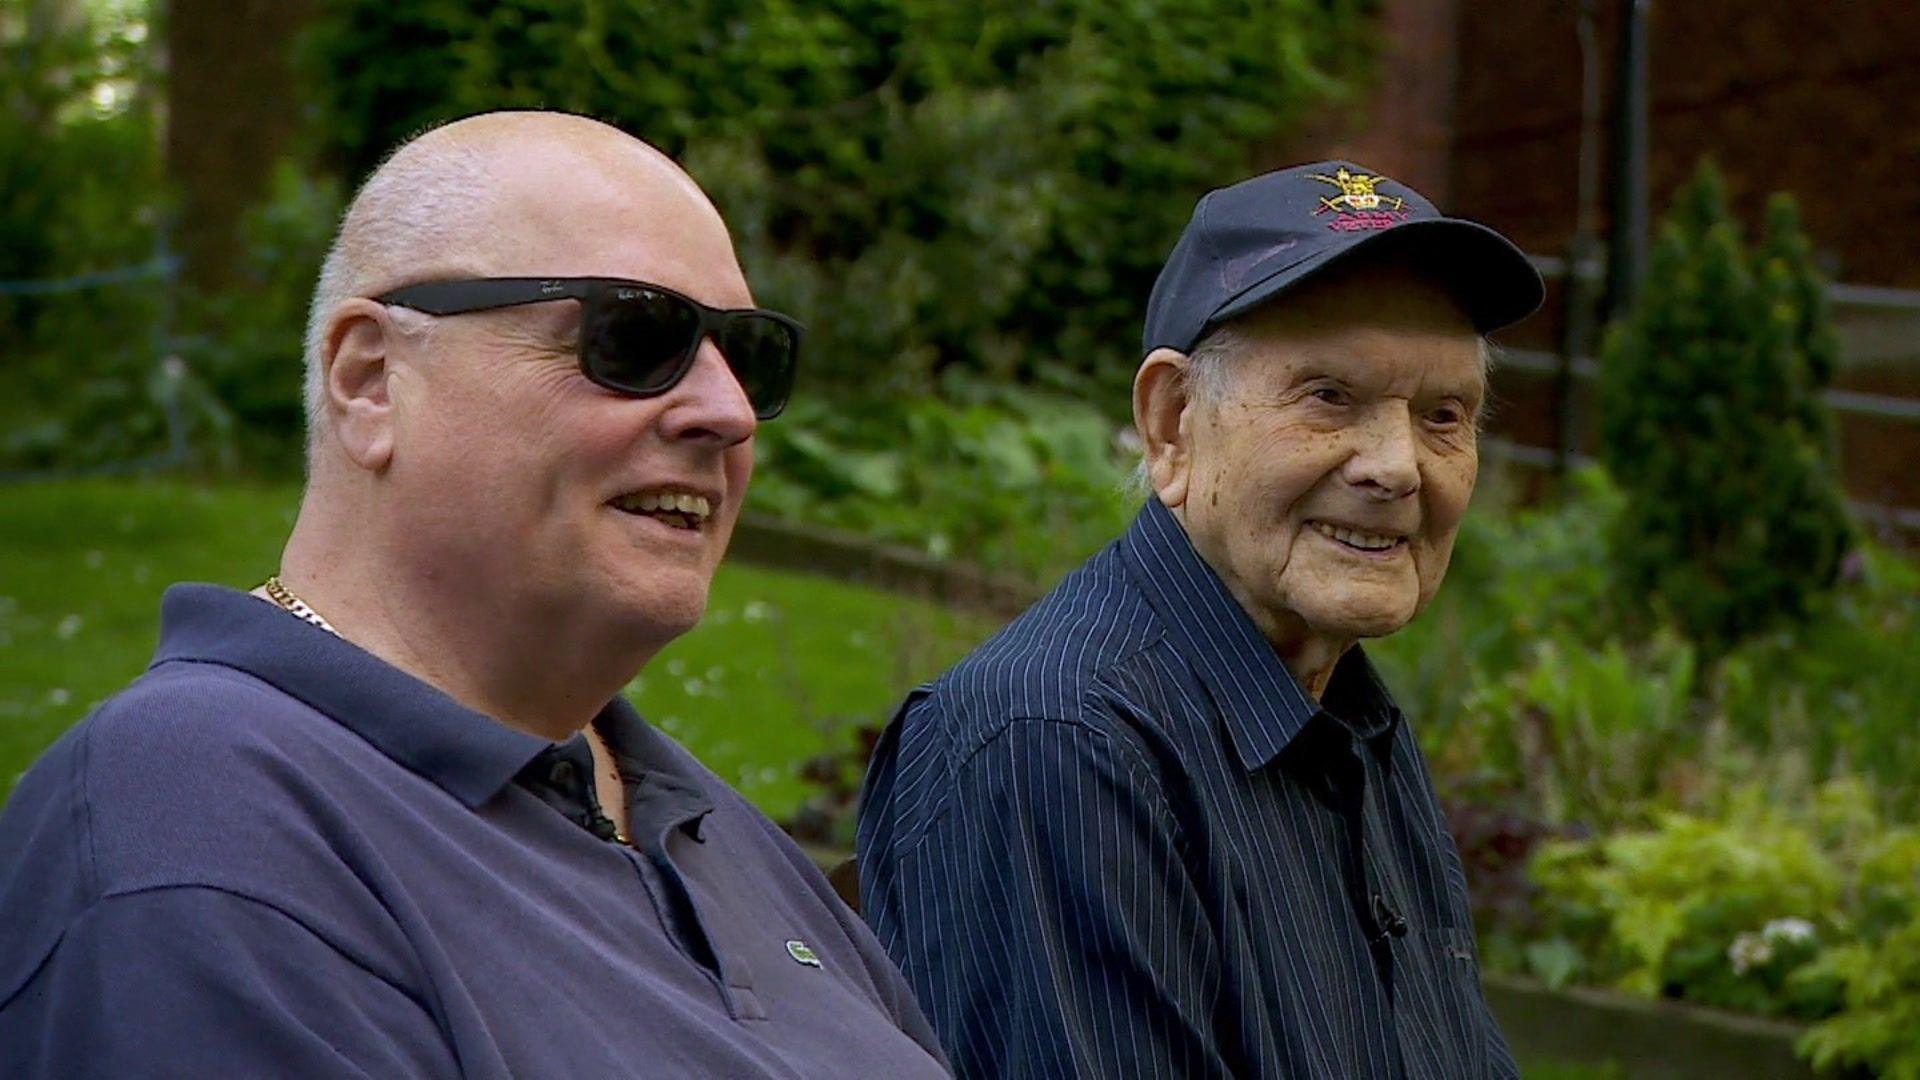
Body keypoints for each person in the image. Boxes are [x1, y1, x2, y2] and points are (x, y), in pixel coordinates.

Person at [0, 111, 947, 1078]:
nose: (727, 412)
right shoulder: (202, 833)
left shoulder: (693, 820)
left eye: (748, 355)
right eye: (633, 336)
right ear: (371, 379)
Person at [857, 161, 1545, 1078]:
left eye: (1443, 415)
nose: (1397, 467)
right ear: (1173, 422)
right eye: (1328, 397)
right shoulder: (1055, 741)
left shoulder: (1344, 718)